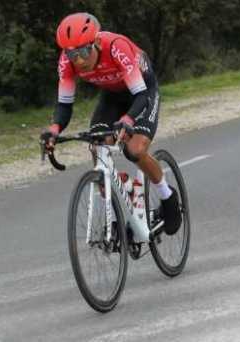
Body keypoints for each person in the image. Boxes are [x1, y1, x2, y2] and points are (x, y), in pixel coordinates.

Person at [41, 13, 181, 235]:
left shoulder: (116, 47)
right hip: (112, 96)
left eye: (83, 51)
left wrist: (128, 119)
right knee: (98, 144)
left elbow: (141, 95)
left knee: (133, 150)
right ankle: (118, 207)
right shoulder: (67, 61)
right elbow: (64, 105)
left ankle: (167, 194)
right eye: (71, 53)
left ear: (96, 42)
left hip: (142, 92)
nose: (78, 60)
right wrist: (54, 129)